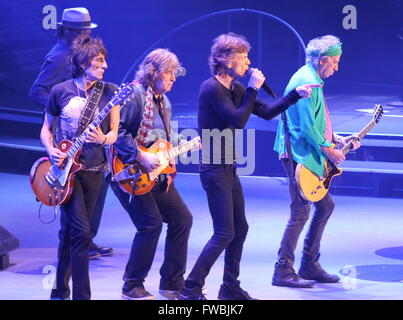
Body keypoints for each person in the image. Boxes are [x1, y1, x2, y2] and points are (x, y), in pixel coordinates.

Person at [178, 32, 316, 300]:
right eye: (242, 57)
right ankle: (191, 287)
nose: (248, 62)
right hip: (213, 168)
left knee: (239, 229)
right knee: (224, 233)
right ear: (224, 59)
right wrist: (252, 88)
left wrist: (294, 96)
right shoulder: (211, 88)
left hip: (228, 168)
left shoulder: (236, 88)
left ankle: (230, 287)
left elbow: (265, 112)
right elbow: (237, 119)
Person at [272, 35, 360, 288]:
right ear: (322, 60)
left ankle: (309, 265)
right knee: (300, 212)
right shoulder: (308, 82)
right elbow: (309, 129)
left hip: (305, 152)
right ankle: (282, 270)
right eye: (335, 62)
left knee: (324, 206)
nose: (337, 66)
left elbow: (316, 122)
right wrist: (331, 150)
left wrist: (336, 137)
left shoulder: (311, 77)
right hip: (298, 155)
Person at [40, 36, 120, 300]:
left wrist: (104, 138)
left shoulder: (110, 91)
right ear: (83, 62)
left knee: (70, 233)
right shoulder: (60, 91)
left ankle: (59, 291)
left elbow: (114, 133)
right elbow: (46, 129)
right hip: (66, 174)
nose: (105, 66)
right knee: (83, 233)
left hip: (95, 172)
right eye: (99, 61)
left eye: (104, 61)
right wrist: (51, 149)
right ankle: (81, 296)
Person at [30, 7, 113, 259]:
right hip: (69, 137)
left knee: (97, 185)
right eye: (81, 30)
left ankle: (86, 240)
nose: (86, 34)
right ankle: (76, 243)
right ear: (67, 31)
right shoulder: (59, 57)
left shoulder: (79, 54)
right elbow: (37, 91)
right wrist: (62, 109)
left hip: (89, 138)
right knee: (73, 191)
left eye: (88, 30)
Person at [110, 48, 193, 300]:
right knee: (150, 224)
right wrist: (139, 155)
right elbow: (117, 133)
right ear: (153, 72)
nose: (173, 78)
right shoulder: (135, 95)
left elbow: (160, 141)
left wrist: (168, 160)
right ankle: (131, 285)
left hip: (155, 174)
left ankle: (171, 284)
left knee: (182, 219)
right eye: (169, 73)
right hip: (128, 172)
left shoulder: (164, 102)